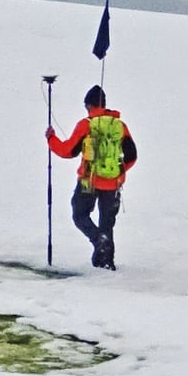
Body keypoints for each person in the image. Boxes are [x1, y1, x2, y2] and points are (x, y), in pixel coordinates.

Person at [47, 83, 136, 269]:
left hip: (88, 180)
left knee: (80, 215)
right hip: (113, 184)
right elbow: (132, 156)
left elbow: (67, 151)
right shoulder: (120, 126)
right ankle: (106, 264)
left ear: (89, 105)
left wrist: (51, 139)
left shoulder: (86, 125)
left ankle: (98, 241)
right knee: (107, 223)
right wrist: (118, 171)